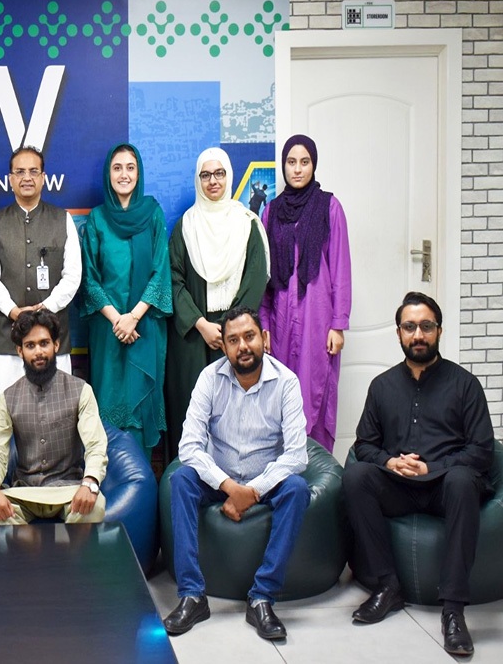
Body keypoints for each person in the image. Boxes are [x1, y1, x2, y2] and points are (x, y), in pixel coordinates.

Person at [344, 292, 493, 657]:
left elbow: (482, 450)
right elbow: (364, 445)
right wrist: (390, 463)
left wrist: (433, 468)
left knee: (462, 480)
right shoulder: (382, 386)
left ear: (439, 330)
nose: (418, 335)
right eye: (409, 327)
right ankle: (387, 586)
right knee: (356, 476)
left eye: (426, 326)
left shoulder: (465, 384)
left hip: (446, 487)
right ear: (398, 333)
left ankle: (453, 610)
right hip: (400, 487)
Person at [163, 306, 308, 641]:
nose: (243, 346)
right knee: (181, 479)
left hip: (266, 480)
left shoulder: (286, 382)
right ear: (224, 347)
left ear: (264, 339)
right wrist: (231, 488)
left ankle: (262, 597)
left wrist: (252, 492)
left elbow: (297, 455)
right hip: (220, 477)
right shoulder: (209, 379)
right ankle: (192, 595)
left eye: (249, 336)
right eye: (233, 340)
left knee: (298, 489)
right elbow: (189, 447)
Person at [165, 147, 269, 465]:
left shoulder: (247, 224)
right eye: (206, 175)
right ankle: (189, 479)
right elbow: (173, 280)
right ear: (198, 180)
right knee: (192, 412)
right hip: (194, 336)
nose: (213, 181)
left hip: (236, 337)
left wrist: (229, 331)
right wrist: (201, 324)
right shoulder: (186, 226)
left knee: (236, 411)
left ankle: (238, 478)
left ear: (229, 176)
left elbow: (256, 276)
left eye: (219, 173)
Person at [80, 143, 171, 457]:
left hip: (144, 326)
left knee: (141, 402)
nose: (124, 174)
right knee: (109, 401)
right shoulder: (97, 219)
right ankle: (111, 479)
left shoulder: (153, 213)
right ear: (108, 174)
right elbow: (89, 278)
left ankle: (142, 479)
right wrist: (118, 319)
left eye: (130, 168)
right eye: (117, 168)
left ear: (139, 173)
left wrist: (133, 316)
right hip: (108, 330)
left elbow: (161, 272)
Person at [260, 135, 351, 452]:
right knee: (280, 393)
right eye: (291, 162)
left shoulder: (329, 207)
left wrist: (338, 324)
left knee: (317, 388)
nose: (297, 169)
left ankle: (318, 472)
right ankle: (284, 470)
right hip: (281, 320)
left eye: (304, 162)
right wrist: (264, 324)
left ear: (314, 165)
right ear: (283, 166)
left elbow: (340, 268)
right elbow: (266, 274)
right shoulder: (271, 212)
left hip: (318, 319)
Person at [0, 309, 109, 525]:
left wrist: (90, 482)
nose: (38, 352)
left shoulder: (81, 390)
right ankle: (30, 549)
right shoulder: (7, 398)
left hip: (69, 489)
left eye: (44, 343)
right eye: (30, 345)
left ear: (56, 345)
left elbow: (96, 445)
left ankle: (53, 550)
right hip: (25, 491)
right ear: (20, 351)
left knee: (95, 507)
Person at [0, 146, 81, 407]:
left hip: (53, 339)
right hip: (8, 338)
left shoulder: (63, 220)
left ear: (43, 178)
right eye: (20, 172)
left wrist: (44, 310)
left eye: (33, 171)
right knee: (7, 414)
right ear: (10, 179)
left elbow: (72, 276)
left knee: (58, 413)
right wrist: (14, 312)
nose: (27, 177)